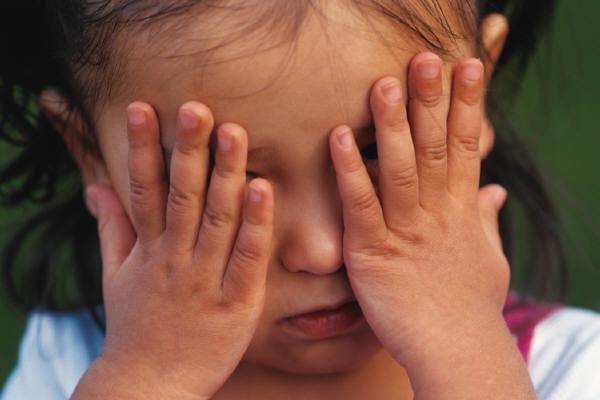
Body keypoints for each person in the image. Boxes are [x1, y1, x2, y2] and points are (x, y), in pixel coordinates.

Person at [1, 1, 599, 399]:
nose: (320, 249)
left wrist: (464, 354)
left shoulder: (568, 369)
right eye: (226, 179)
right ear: (91, 151)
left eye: (373, 154)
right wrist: (150, 379)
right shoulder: (70, 366)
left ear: (477, 88)